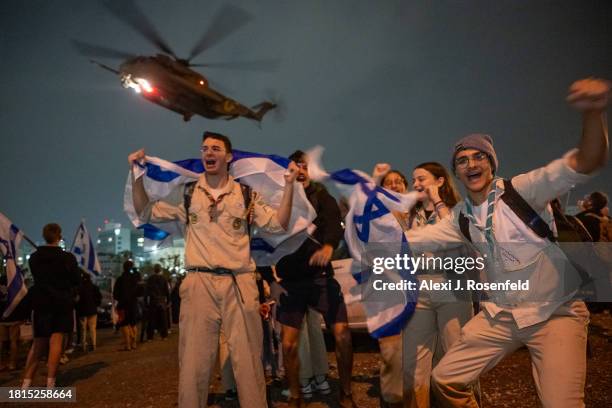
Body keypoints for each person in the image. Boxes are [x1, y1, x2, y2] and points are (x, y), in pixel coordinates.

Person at [401, 78, 609, 407]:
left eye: (479, 157)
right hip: (501, 317)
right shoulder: (461, 217)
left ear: (492, 163)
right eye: (462, 160)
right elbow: (417, 238)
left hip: (555, 314)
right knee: (445, 379)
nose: (471, 164)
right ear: (456, 171)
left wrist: (594, 112)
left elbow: (586, 162)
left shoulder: (523, 190)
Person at [128, 131, 298, 408]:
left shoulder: (246, 195)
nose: (208, 152)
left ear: (228, 157)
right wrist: (136, 176)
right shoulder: (187, 194)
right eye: (205, 148)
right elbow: (145, 211)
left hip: (239, 285)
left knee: (248, 362)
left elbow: (278, 225)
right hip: (199, 283)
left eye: (216, 148)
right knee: (194, 363)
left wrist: (289, 186)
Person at [275, 150, 354, 408]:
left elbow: (333, 224)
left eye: (305, 167)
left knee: (342, 335)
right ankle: (296, 395)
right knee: (288, 345)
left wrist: (330, 246)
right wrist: (270, 275)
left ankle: (345, 392)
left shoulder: (323, 197)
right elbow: (268, 236)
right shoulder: (280, 200)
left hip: (321, 278)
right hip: (292, 282)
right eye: (295, 167)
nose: (301, 171)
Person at [22, 223, 81, 388]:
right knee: (56, 341)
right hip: (62, 302)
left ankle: (26, 383)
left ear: (44, 236)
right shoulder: (67, 258)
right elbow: (76, 279)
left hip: (41, 302)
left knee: (38, 342)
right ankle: (50, 382)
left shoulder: (34, 258)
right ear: (59, 236)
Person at [113, 260, 141, 351]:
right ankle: (134, 343)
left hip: (123, 305)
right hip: (133, 304)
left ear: (123, 268)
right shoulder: (135, 279)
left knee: (124, 324)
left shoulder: (120, 279)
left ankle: (128, 345)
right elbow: (139, 291)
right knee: (133, 324)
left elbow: (115, 294)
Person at [76, 271, 102, 351]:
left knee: (83, 329)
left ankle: (83, 345)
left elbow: (77, 300)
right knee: (92, 328)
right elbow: (99, 297)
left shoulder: (79, 288)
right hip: (92, 310)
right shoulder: (94, 287)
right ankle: (93, 344)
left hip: (82, 311)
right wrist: (96, 304)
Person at [145, 263, 170, 340]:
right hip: (162, 300)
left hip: (153, 300)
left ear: (154, 270)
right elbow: (167, 291)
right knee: (163, 319)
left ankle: (150, 336)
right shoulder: (164, 279)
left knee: (151, 319)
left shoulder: (150, 279)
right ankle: (164, 335)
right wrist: (169, 301)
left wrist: (146, 302)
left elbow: (146, 291)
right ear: (160, 270)